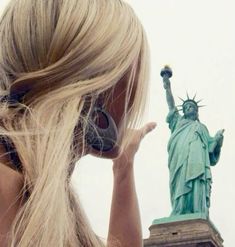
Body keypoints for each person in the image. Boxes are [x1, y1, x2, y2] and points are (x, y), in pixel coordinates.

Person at [0, 0, 156, 246]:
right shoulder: (10, 187)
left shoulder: (43, 194)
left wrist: (124, 167)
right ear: (99, 71)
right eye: (131, 63)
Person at [162, 66, 224, 217]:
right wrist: (167, 86)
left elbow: (211, 150)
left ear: (197, 111)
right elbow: (171, 105)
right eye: (186, 107)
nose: (189, 108)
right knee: (181, 182)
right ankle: (180, 209)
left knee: (197, 181)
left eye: (192, 107)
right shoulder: (178, 122)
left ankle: (198, 210)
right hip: (180, 159)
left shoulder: (202, 128)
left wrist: (218, 140)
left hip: (198, 161)